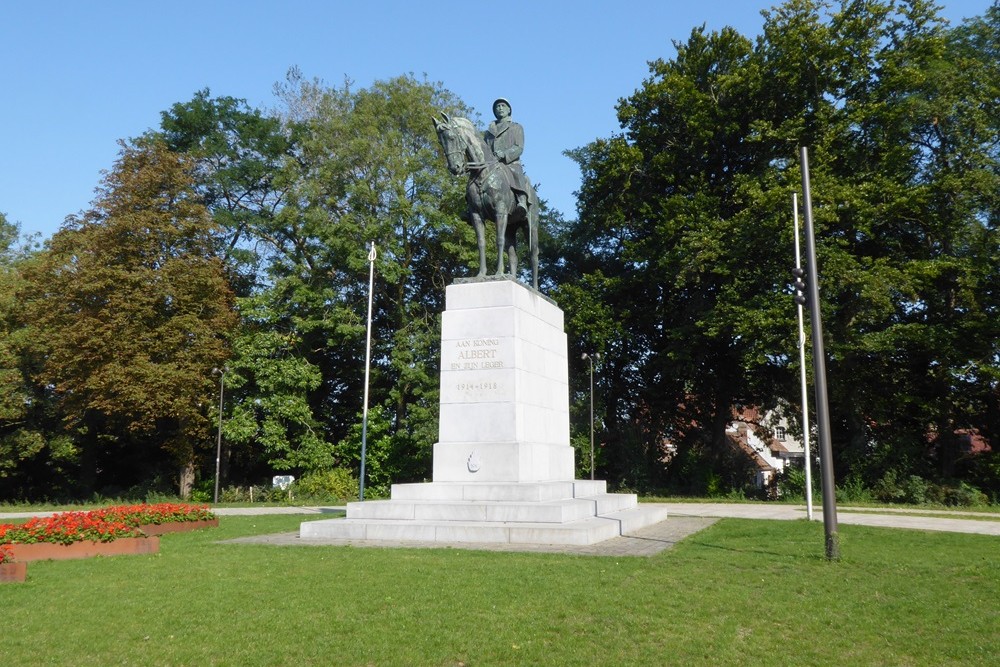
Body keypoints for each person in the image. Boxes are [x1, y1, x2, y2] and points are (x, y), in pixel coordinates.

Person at [484, 98, 528, 217]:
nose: (500, 108)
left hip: (510, 162)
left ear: (509, 110)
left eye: (503, 106)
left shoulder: (516, 127)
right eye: (497, 107)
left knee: (516, 172)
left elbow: (519, 147)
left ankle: (521, 200)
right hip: (492, 163)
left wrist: (504, 154)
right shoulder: (488, 132)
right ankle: (472, 206)